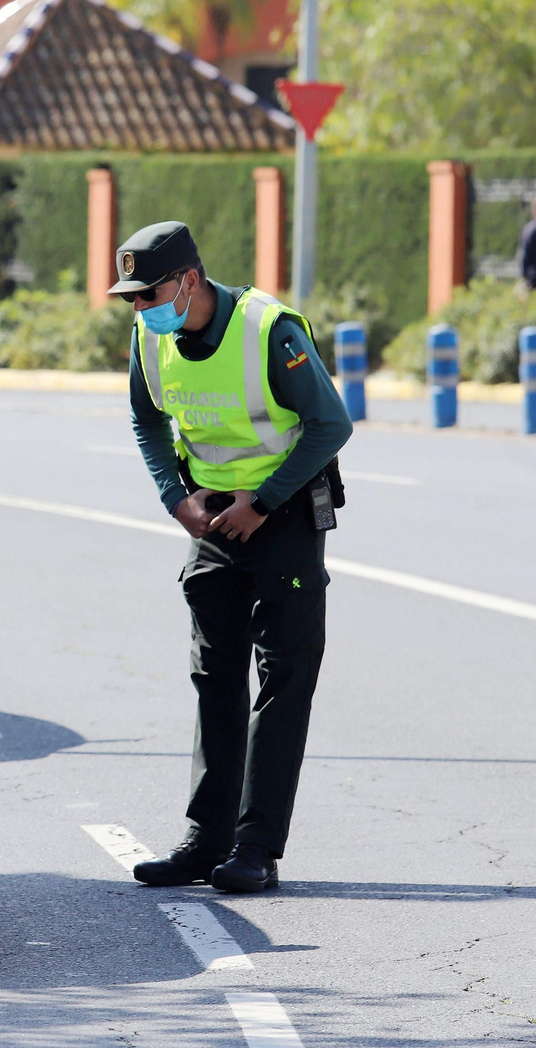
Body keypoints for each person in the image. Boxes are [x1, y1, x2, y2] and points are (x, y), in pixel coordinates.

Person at [113, 221, 352, 893]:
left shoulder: (266, 330)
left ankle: (255, 847)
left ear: (189, 279)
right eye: (131, 298)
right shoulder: (149, 336)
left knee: (281, 678)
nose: (140, 308)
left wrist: (264, 501)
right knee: (214, 676)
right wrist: (175, 499)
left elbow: (331, 424)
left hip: (283, 516)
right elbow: (146, 419)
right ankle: (204, 840)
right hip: (212, 517)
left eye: (149, 292)